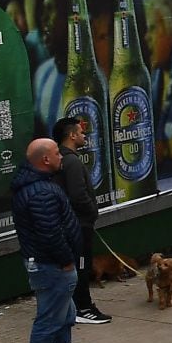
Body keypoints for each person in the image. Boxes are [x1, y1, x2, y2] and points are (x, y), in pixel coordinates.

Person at [11, 138, 100, 343]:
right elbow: (49, 232)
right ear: (46, 159)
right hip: (51, 266)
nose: (62, 156)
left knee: (65, 314)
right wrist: (65, 261)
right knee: (50, 318)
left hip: (51, 264)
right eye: (57, 153)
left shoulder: (39, 185)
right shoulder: (40, 192)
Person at [56, 115, 111, 325]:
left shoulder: (63, 159)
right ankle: (83, 307)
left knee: (77, 266)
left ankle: (74, 306)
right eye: (81, 132)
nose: (84, 135)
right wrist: (90, 214)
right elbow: (78, 195)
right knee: (81, 266)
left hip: (74, 224)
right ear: (71, 135)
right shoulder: (71, 161)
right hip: (79, 226)